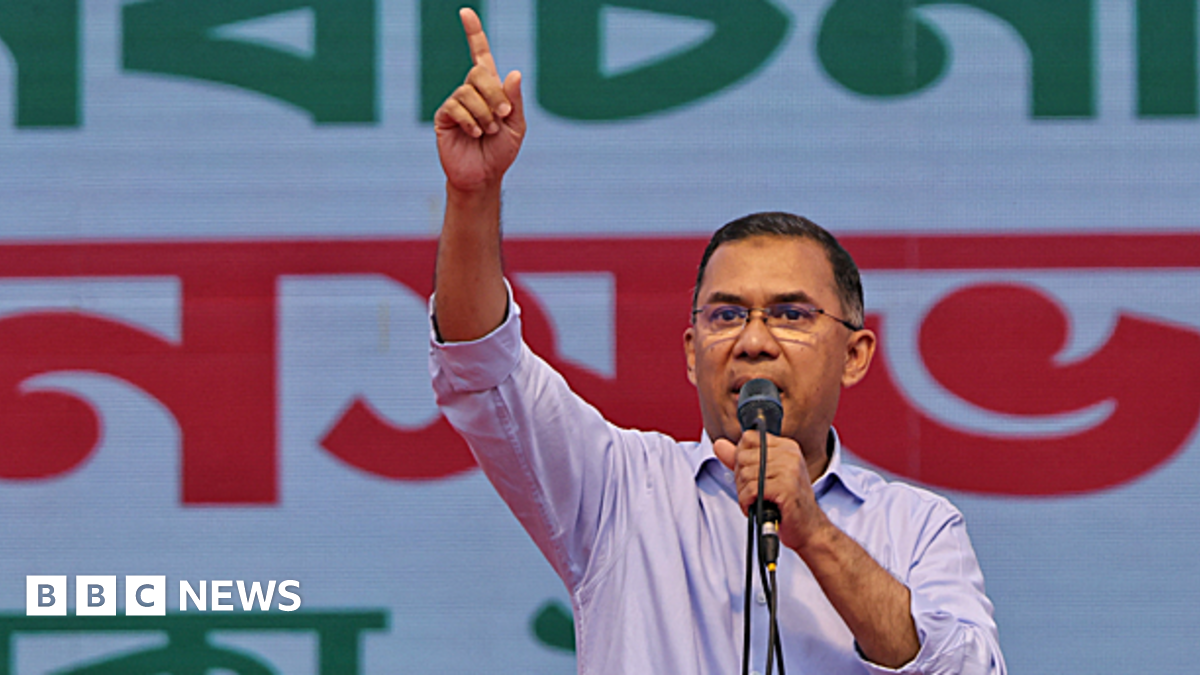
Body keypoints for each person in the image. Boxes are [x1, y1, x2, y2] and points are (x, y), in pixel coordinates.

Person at [428, 8, 1006, 674]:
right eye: (726, 316)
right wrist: (473, 194)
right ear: (690, 350)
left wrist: (812, 532)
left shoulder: (917, 525)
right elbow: (482, 365)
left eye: (790, 314)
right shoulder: (620, 491)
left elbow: (966, 668)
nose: (753, 340)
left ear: (855, 355)